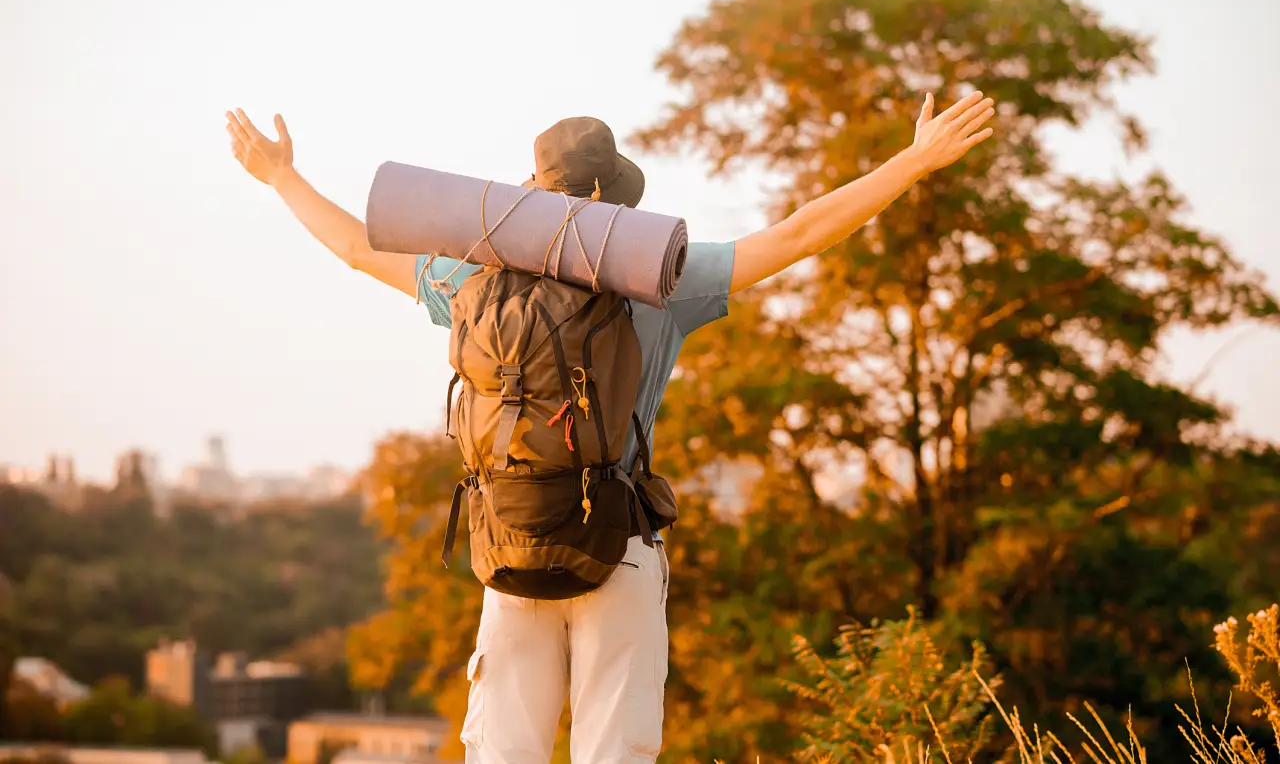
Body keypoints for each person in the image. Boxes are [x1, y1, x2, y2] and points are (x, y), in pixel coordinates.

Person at [224, 90, 995, 763]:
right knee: (614, 751)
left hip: (510, 539)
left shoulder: (475, 277)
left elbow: (360, 249)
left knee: (503, 751)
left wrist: (279, 175)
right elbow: (795, 236)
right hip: (618, 545)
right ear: (616, 198)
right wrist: (914, 163)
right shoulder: (663, 274)